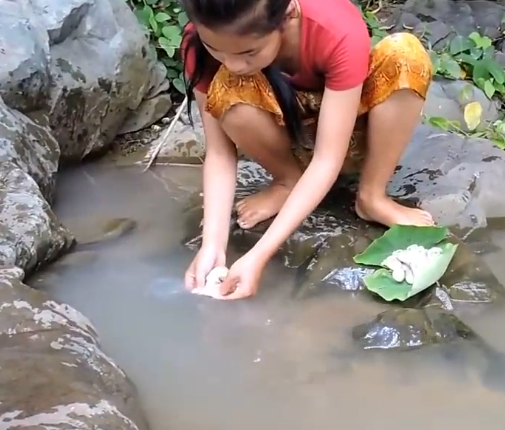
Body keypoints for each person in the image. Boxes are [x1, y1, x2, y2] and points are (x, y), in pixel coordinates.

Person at [179, 0, 435, 300]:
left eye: (249, 52)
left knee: (406, 55)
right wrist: (213, 244)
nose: (233, 63)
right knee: (226, 86)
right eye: (216, 49)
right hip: (285, 137)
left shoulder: (336, 29)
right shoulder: (198, 40)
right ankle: (288, 180)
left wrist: (259, 256)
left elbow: (328, 159)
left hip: (347, 133)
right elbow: (221, 153)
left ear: (288, 15)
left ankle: (372, 196)